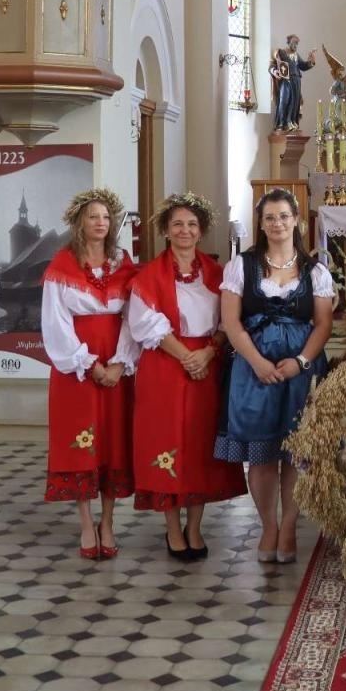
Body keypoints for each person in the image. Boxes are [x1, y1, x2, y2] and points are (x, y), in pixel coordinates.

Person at [119, 193, 246, 559]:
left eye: (192, 224)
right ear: (166, 230)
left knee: (199, 446)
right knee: (167, 442)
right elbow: (145, 323)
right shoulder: (149, 276)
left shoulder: (217, 273)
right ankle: (173, 528)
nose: (184, 230)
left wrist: (208, 352)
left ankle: (195, 526)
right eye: (177, 224)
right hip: (165, 367)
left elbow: (228, 321)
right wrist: (186, 356)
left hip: (207, 365)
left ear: (201, 230)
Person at [216, 189, 334, 563]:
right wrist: (256, 362)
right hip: (254, 370)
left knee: (296, 452)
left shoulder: (315, 271)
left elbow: (323, 324)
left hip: (300, 371)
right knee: (263, 454)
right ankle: (268, 525)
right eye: (270, 217)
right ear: (262, 223)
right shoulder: (241, 266)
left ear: (296, 220)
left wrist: (301, 361)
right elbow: (231, 322)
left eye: (284, 216)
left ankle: (289, 527)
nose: (277, 223)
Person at [40, 189, 138, 560]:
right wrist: (88, 364)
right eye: (93, 216)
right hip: (76, 369)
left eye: (106, 217)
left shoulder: (122, 261)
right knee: (79, 443)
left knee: (113, 440)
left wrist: (120, 362)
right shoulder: (62, 263)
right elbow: (55, 321)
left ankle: (108, 521)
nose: (100, 223)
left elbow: (132, 315)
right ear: (80, 222)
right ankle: (85, 522)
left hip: (116, 359)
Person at [269, 35, 315, 132]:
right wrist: (274, 71)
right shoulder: (281, 52)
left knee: (295, 102)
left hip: (296, 80)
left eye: (297, 43)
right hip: (286, 80)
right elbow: (273, 65)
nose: (296, 45)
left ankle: (291, 122)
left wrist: (311, 62)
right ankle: (281, 123)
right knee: (284, 100)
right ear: (289, 42)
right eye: (294, 43)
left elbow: (303, 66)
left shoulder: (296, 55)